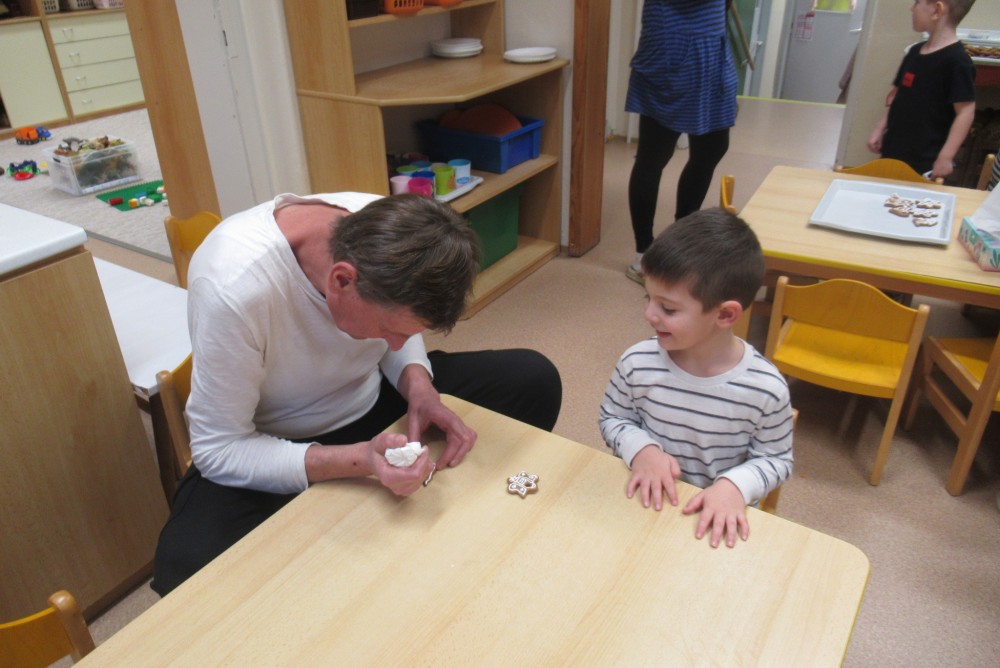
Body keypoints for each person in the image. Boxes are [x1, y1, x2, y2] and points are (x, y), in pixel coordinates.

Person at [152, 193, 562, 595]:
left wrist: (420, 386)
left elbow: (403, 337)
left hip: (373, 400)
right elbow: (218, 448)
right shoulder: (232, 287)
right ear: (342, 280)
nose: (397, 344)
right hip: (277, 439)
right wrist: (360, 460)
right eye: (389, 330)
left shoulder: (388, 225)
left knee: (532, 378)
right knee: (184, 566)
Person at [599, 208, 793, 549]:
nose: (649, 314)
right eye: (648, 298)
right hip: (644, 506)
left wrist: (735, 486)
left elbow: (776, 459)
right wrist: (642, 450)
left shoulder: (766, 389)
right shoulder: (637, 362)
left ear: (725, 314)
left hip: (712, 524)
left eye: (668, 308)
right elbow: (613, 418)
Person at [624, 0, 738, 284]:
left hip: (710, 54)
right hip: (671, 50)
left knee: (713, 148)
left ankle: (681, 242)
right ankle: (643, 255)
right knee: (653, 158)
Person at [867, 0, 977, 181]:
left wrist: (946, 156)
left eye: (917, 2)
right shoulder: (914, 52)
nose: (911, 8)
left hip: (925, 159)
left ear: (937, 10)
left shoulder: (957, 61)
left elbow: (965, 112)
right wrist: (880, 128)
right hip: (894, 148)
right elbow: (898, 95)